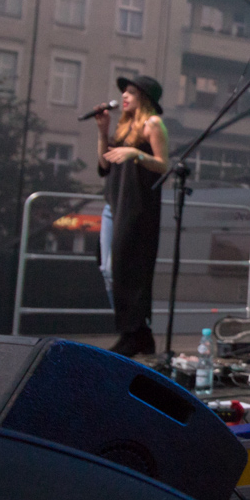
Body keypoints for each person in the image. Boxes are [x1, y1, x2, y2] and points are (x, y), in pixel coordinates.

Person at [95, 75, 169, 357]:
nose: (124, 96)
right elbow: (104, 164)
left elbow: (164, 165)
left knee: (126, 270)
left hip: (136, 206)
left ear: (145, 99)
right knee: (107, 268)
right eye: (124, 92)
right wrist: (103, 132)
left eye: (131, 92)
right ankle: (138, 333)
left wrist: (136, 154)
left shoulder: (153, 124)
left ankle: (132, 332)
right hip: (113, 203)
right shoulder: (123, 126)